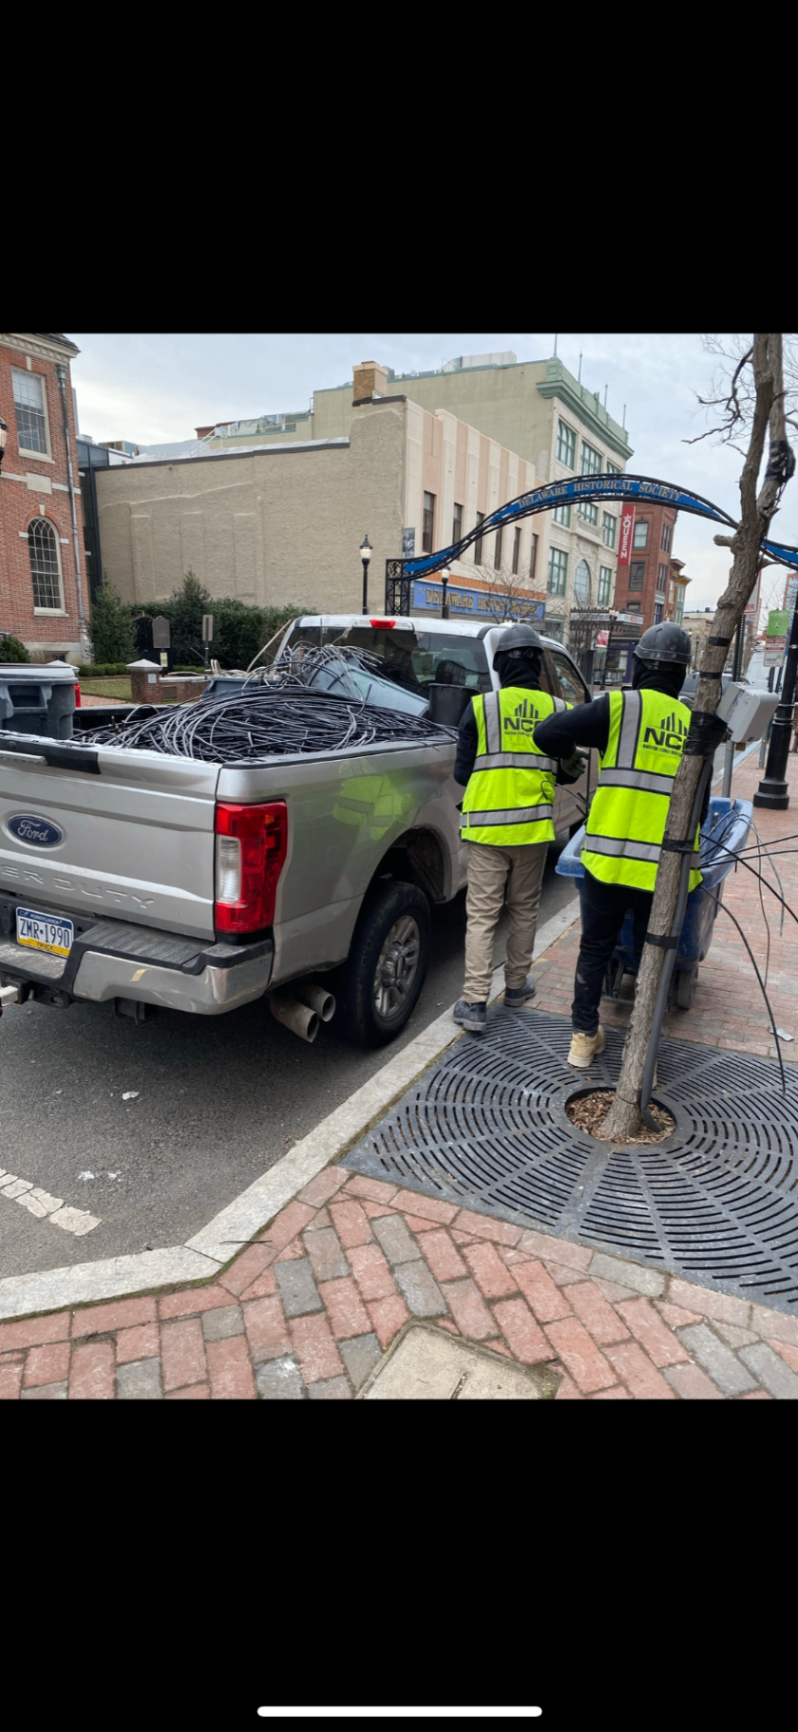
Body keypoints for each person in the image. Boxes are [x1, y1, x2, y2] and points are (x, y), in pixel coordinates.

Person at [533, 621, 710, 1069]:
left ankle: (582, 1038)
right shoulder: (695, 727)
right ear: (681, 673)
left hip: (608, 861)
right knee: (654, 955)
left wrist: (572, 757)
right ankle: (642, 1043)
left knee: (595, 948)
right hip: (664, 872)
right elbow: (702, 811)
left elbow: (547, 733)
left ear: (640, 665)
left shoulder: (618, 708)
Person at [452, 624, 580, 1034]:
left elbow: (461, 773)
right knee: (524, 909)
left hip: (487, 831)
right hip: (531, 830)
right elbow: (565, 772)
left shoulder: (480, 708)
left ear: (501, 664)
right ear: (539, 665)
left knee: (482, 916)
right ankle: (517, 986)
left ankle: (474, 1002)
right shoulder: (558, 711)